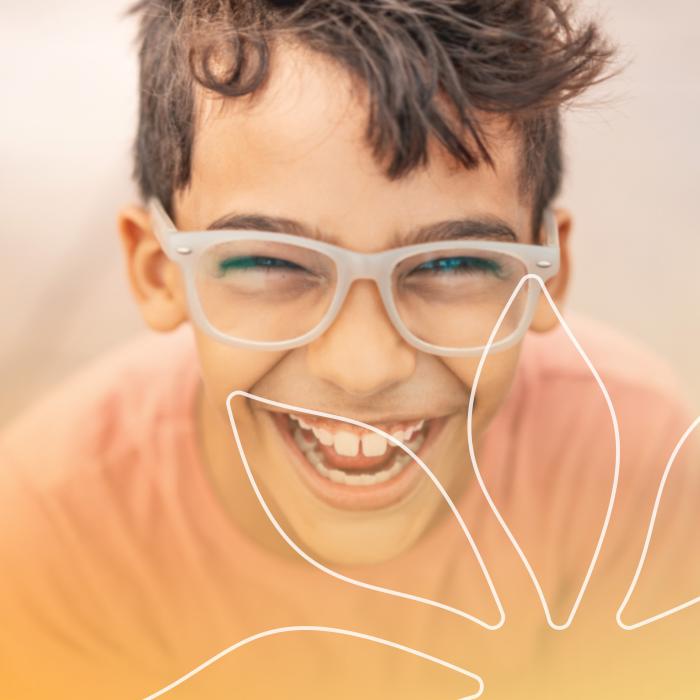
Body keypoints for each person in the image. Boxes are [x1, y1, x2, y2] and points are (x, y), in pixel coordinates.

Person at [1, 1, 698, 698]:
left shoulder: (638, 472)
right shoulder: (49, 537)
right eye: (272, 263)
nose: (364, 367)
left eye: (453, 264)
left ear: (546, 276)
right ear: (159, 273)